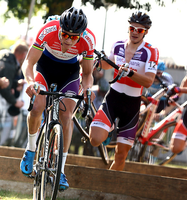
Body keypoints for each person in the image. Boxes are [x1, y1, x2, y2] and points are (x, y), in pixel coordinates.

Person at [20, 7, 96, 191]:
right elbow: (28, 63)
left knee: (67, 115)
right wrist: (31, 82)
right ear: (59, 28)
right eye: (64, 34)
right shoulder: (48, 29)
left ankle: (60, 170)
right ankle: (30, 150)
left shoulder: (88, 39)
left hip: (68, 74)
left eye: (74, 37)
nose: (68, 39)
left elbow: (87, 74)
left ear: (81, 35)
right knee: (37, 106)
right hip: (45, 68)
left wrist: (87, 89)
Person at [89, 11, 159, 171]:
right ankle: (109, 126)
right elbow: (110, 63)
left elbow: (148, 81)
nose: (135, 32)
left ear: (146, 32)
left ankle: (108, 192)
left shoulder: (150, 51)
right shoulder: (118, 45)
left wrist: (131, 73)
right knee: (95, 139)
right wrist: (97, 63)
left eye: (139, 30)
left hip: (132, 104)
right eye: (132, 28)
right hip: (113, 98)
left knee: (120, 156)